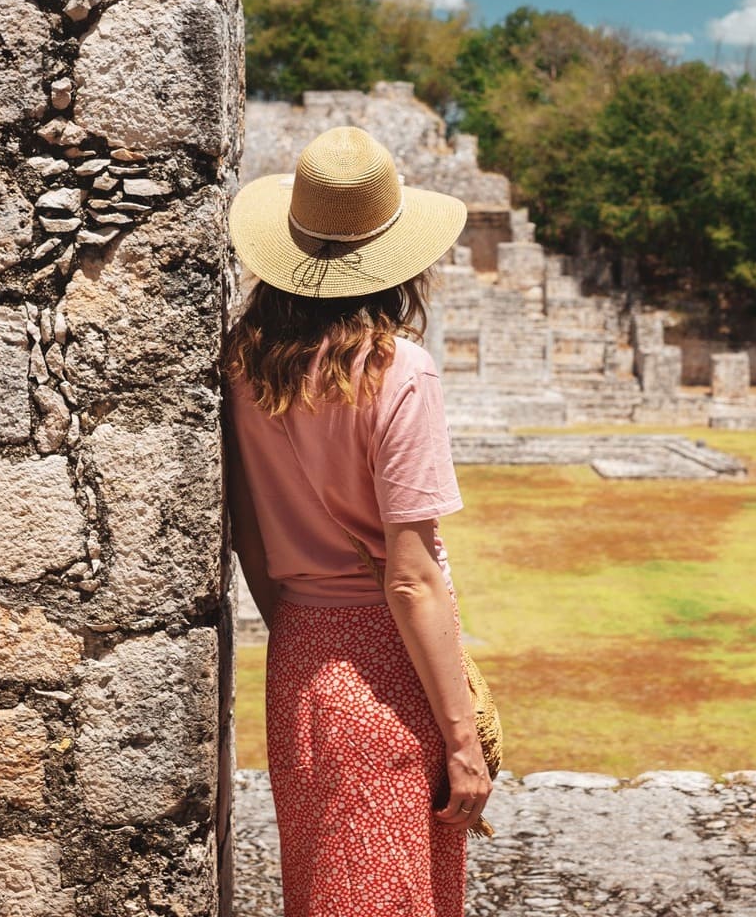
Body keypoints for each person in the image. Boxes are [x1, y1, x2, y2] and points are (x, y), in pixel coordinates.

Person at [223, 125, 492, 917]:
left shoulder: (245, 365)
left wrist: (306, 630)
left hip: (299, 659)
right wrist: (463, 737)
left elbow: (251, 539)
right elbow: (411, 579)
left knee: (322, 891)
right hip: (386, 670)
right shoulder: (398, 371)